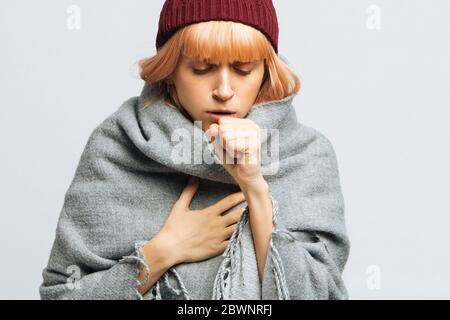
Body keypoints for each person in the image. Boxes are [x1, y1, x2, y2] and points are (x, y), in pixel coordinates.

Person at [39, 0, 350, 300]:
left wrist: (255, 188)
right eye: (202, 68)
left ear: (266, 73)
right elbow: (64, 294)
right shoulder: (118, 145)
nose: (224, 91)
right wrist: (164, 251)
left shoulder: (307, 155)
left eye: (243, 70)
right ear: (170, 72)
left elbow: (322, 293)